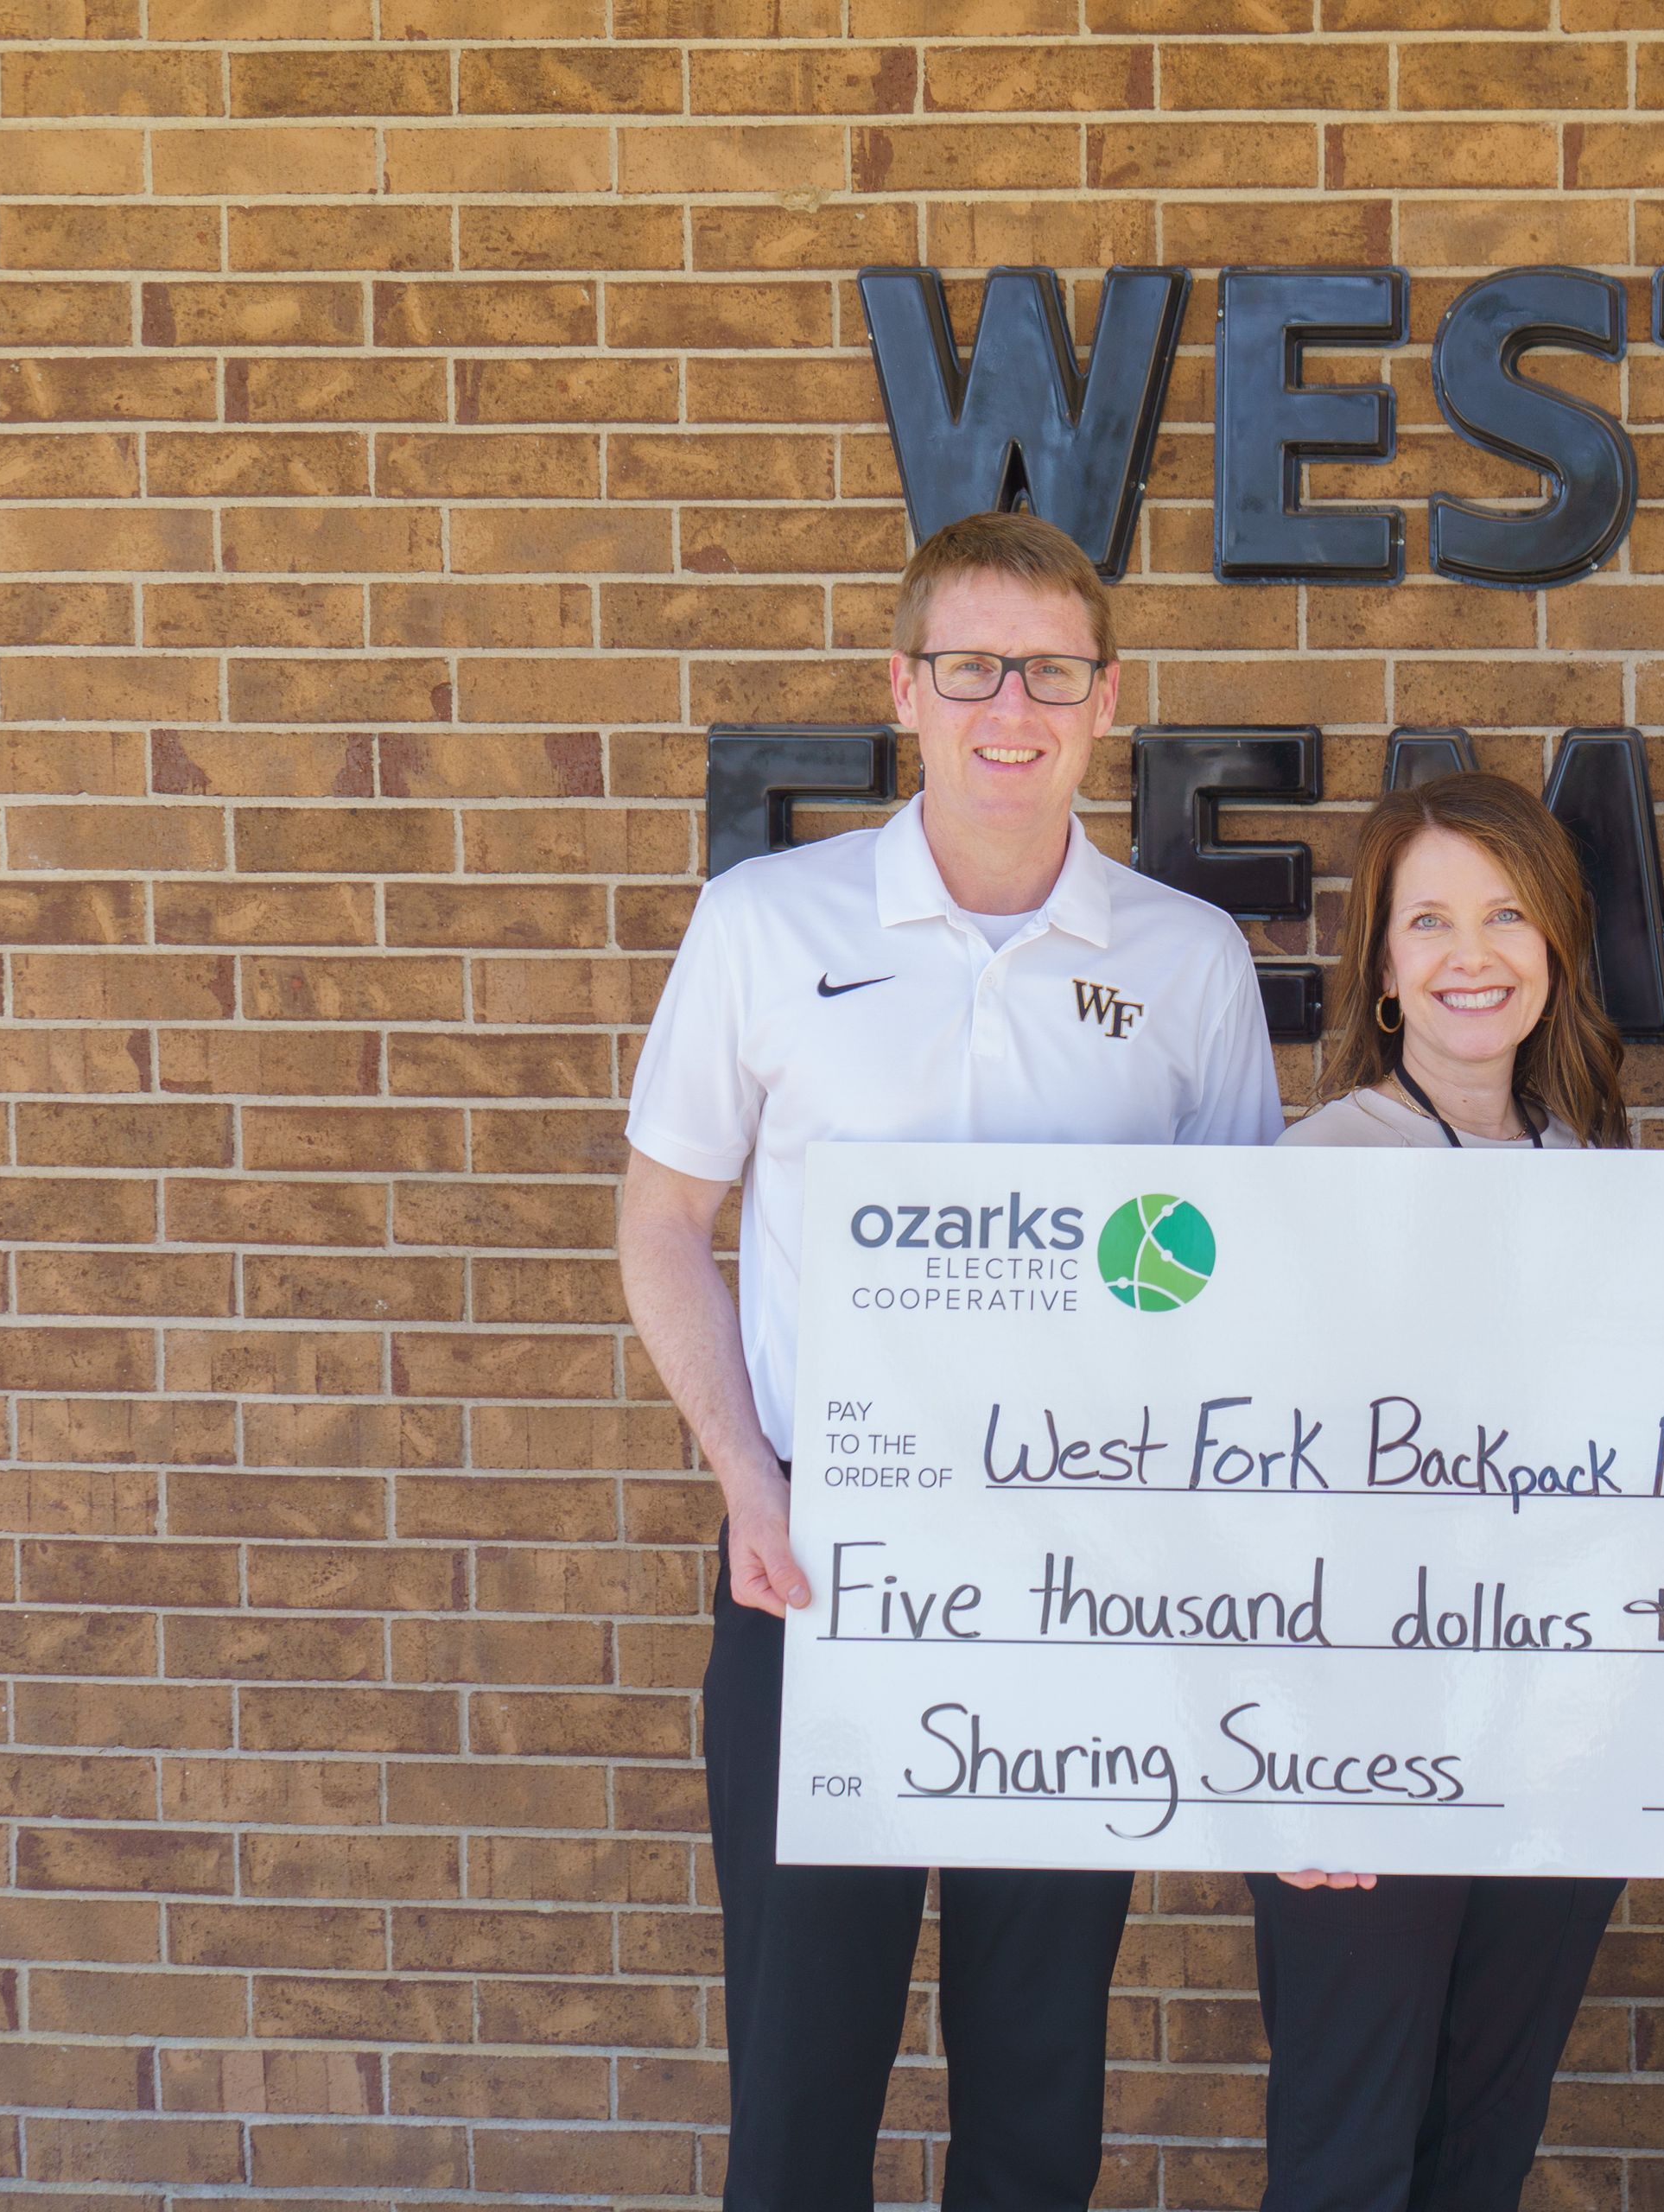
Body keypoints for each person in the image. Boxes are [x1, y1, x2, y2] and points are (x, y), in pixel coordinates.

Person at [617, 510, 1282, 2211]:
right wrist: (746, 1482)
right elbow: (663, 1222)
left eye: (1051, 670)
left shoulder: (1189, 961)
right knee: (801, 2057)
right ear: (904, 686)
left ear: (1107, 696)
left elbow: (1238, 1287)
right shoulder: (770, 921)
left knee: (1041, 2061)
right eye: (974, 665)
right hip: (815, 1560)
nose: (1013, 706)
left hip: (1080, 1577)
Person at [1248, 771, 1629, 2212]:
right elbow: (1248, 1500)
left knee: (1483, 2146)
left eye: (1507, 916)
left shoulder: (1603, 1182)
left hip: (1555, 1750)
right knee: (1350, 2156)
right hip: (1363, 1757)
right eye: (1431, 921)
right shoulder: (1314, 1173)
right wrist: (1290, 1760)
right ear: (1387, 967)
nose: (1473, 953)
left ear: (1554, 949)